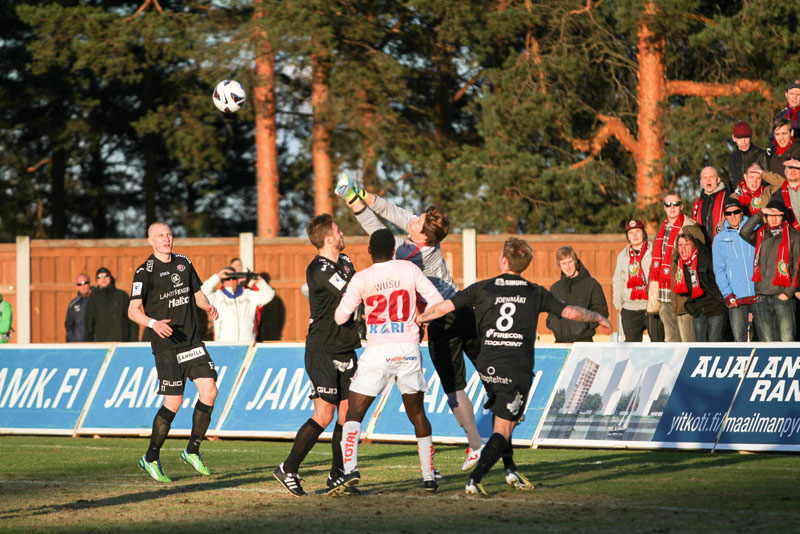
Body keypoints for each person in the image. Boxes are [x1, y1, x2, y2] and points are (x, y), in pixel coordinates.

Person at [417, 237, 611, 495]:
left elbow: (444, 306)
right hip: (515, 367)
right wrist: (598, 316)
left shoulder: (482, 288)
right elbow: (571, 313)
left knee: (504, 419)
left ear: (504, 260)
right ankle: (475, 479)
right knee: (505, 427)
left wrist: (420, 318)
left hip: (487, 365)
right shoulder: (536, 291)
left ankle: (510, 469)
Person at [336, 173, 484, 470]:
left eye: (418, 221)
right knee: (486, 366)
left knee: (453, 386)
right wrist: (358, 193)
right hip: (462, 306)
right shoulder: (423, 236)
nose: (413, 219)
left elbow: (378, 229)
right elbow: (391, 210)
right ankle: (499, 416)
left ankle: (476, 445)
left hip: (443, 316)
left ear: (423, 237)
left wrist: (353, 200)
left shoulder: (408, 254)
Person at [328, 229, 443, 494]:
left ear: (370, 251)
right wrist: (421, 319)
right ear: (393, 250)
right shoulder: (408, 269)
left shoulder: (362, 277)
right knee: (417, 414)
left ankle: (350, 470)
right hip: (408, 348)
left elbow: (340, 317)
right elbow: (437, 301)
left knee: (354, 412)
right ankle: (428, 476)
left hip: (378, 350)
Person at [273, 214, 363, 497]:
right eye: (338, 230)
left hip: (347, 346)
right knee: (324, 413)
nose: (342, 233)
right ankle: (288, 468)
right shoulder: (318, 269)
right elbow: (354, 292)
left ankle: (337, 475)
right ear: (328, 239)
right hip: (322, 349)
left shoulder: (346, 261)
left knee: (347, 415)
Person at [128, 222, 220, 482]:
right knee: (174, 401)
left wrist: (207, 306)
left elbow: (197, 293)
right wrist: (153, 323)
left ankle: (192, 450)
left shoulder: (184, 262)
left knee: (210, 391)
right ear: (150, 241)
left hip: (191, 341)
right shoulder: (144, 271)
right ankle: (150, 458)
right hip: (167, 346)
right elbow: (133, 310)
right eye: (160, 235)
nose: (166, 239)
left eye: (169, 234)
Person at [739, 200, 800, 342]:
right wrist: (761, 212)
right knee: (767, 340)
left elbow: (798, 266)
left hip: (782, 295)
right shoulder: (761, 234)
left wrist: (789, 291)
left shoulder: (794, 236)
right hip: (762, 295)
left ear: (783, 217)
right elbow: (744, 232)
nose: (773, 218)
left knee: (786, 338)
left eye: (777, 215)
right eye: (770, 215)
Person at [650, 191, 704, 342]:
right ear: (664, 208)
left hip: (682, 290)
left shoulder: (690, 226)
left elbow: (699, 254)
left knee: (687, 338)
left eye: (676, 204)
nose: (672, 207)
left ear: (681, 206)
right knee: (670, 338)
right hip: (664, 291)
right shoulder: (662, 229)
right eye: (668, 204)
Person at [712, 197, 759, 342]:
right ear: (725, 215)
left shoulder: (756, 229)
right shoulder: (720, 239)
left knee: (766, 338)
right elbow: (719, 270)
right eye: (728, 213)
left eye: (736, 212)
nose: (733, 216)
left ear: (741, 212)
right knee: (740, 340)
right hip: (736, 298)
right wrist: (727, 294)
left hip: (759, 294)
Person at [546, 246, 608, 343]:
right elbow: (550, 315)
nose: (568, 267)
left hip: (584, 342)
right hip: (560, 343)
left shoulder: (591, 284)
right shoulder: (555, 288)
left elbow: (602, 311)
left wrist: (585, 325)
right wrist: (555, 325)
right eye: (564, 263)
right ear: (560, 265)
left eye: (570, 262)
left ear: (575, 261)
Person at [673, 233, 727, 342]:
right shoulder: (680, 264)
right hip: (698, 309)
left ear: (694, 246)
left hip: (715, 308)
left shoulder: (706, 258)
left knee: (714, 344)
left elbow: (720, 279)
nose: (683, 248)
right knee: (700, 345)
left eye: (686, 244)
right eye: (680, 245)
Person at [612, 220, 659, 342]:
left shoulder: (654, 251)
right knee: (631, 348)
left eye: (638, 231)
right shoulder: (623, 255)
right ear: (627, 236)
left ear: (643, 233)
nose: (634, 235)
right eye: (631, 232)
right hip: (629, 308)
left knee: (658, 343)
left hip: (652, 307)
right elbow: (618, 279)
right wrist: (618, 303)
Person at [200, 267, 275, 342]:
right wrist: (217, 276)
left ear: (238, 280)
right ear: (223, 282)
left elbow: (269, 294)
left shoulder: (249, 294)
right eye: (228, 279)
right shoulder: (217, 296)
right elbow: (202, 291)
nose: (232, 281)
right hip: (225, 344)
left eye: (234, 278)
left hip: (247, 342)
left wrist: (259, 281)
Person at [85, 267, 137, 342]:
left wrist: (133, 342)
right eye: (99, 277)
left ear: (110, 278)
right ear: (97, 281)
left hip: (122, 341)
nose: (103, 279)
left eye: (106, 276)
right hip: (102, 344)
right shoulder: (93, 300)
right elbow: (88, 326)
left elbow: (132, 321)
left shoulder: (121, 296)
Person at [728, 121, 767, 192]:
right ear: (734, 138)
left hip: (758, 199)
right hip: (739, 199)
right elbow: (732, 184)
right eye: (740, 138)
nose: (743, 142)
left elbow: (767, 181)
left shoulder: (761, 154)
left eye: (746, 137)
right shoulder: (732, 158)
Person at [692, 166, 728, 242]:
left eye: (711, 176)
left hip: (723, 245)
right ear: (701, 182)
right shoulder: (698, 204)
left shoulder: (728, 198)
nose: (708, 180)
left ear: (718, 180)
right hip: (704, 249)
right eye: (705, 177)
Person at [65, 273, 92, 342]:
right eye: (79, 284)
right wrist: (72, 341)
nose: (82, 286)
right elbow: (69, 325)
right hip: (79, 344)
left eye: (85, 283)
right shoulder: (73, 304)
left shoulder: (98, 301)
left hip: (96, 345)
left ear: (90, 283)